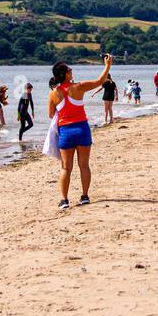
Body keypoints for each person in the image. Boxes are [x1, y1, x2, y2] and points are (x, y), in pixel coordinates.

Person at [48, 55, 112, 210]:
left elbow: (51, 115)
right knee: (84, 165)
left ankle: (64, 200)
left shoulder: (53, 94)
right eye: (69, 69)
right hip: (82, 129)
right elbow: (100, 81)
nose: (72, 70)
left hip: (66, 132)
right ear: (65, 74)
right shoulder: (79, 87)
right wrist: (107, 65)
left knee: (65, 168)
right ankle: (84, 197)